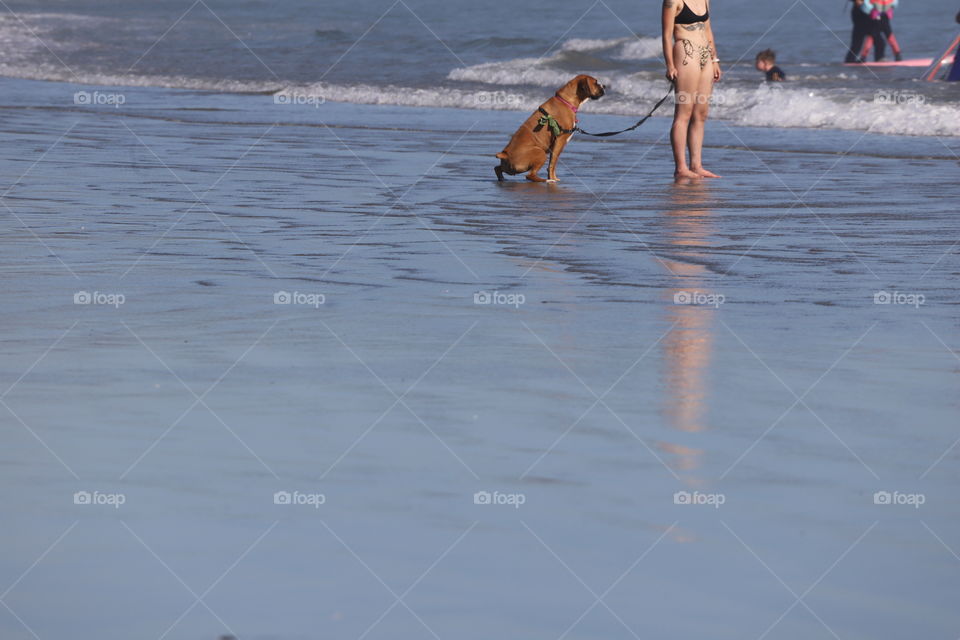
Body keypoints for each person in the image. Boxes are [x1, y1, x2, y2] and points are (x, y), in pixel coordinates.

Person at [662, 0, 722, 180]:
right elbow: (666, 35)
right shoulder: (672, 1)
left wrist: (715, 60)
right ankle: (681, 167)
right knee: (684, 113)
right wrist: (670, 65)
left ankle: (696, 166)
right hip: (686, 53)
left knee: (701, 113)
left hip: (705, 54)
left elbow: (707, 29)